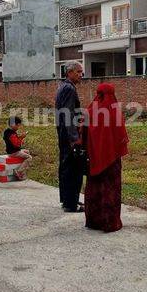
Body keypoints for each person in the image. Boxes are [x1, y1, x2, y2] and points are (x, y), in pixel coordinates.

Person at [85, 83, 129, 232]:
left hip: (94, 157)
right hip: (111, 159)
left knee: (94, 188)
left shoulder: (91, 109)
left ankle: (94, 221)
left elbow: (82, 132)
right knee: (110, 189)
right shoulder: (114, 110)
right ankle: (110, 222)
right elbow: (121, 134)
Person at [55, 61, 85, 213]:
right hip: (68, 135)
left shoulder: (64, 86)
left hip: (63, 133)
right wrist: (75, 138)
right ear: (70, 72)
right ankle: (71, 204)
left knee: (66, 167)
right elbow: (68, 114)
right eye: (78, 72)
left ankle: (68, 200)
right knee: (72, 169)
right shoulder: (69, 89)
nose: (81, 75)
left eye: (81, 72)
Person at [3, 116, 32, 180]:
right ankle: (19, 172)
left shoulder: (6, 131)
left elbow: (13, 141)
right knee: (29, 157)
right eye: (18, 126)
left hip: (11, 151)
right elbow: (17, 145)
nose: (18, 128)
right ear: (13, 125)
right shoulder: (12, 134)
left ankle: (21, 169)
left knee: (27, 151)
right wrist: (22, 137)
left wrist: (18, 137)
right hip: (14, 152)